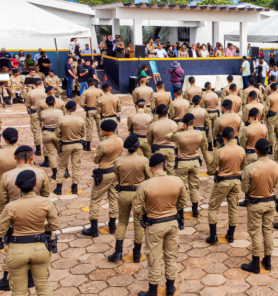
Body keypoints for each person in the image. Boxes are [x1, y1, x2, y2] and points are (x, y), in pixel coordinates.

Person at [133, 153, 188, 296]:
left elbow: (137, 209)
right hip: (172, 223)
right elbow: (183, 201)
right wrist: (173, 207)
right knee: (171, 257)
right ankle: (170, 288)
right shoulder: (177, 181)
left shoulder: (145, 185)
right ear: (165, 165)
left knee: (154, 259)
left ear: (151, 168)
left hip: (154, 225)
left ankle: (152, 292)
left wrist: (146, 213)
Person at [0, 169, 59, 295]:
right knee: (43, 287)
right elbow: (55, 225)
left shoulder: (10, 207)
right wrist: (43, 230)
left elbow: (1, 230)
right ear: (35, 184)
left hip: (16, 250)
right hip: (40, 249)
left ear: (17, 186)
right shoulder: (46, 203)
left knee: (18, 291)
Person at [239, 138, 278, 273]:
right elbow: (277, 185)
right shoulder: (276, 166)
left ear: (256, 151)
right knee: (268, 231)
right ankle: (267, 260)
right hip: (270, 202)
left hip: (256, 204)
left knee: (256, 232)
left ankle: (255, 263)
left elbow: (244, 189)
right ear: (268, 150)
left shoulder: (250, 168)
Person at [81, 120, 123, 237]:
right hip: (115, 172)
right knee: (114, 198)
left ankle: (94, 230)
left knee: (95, 200)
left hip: (104, 172)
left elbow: (96, 160)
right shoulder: (120, 141)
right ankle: (112, 226)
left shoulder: (103, 144)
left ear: (106, 131)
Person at [205, 127, 246, 244]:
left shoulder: (220, 151)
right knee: (233, 208)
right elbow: (243, 166)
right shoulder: (241, 150)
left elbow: (212, 170)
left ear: (224, 138)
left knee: (213, 207)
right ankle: (231, 235)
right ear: (234, 136)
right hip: (236, 182)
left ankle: (213, 236)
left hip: (223, 182)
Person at [166, 113, 211, 218]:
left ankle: (180, 212)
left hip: (182, 163)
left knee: (182, 188)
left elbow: (167, 137)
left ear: (184, 123)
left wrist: (177, 129)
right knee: (194, 187)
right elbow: (204, 149)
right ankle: (195, 210)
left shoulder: (179, 135)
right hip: (195, 162)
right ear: (194, 121)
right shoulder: (200, 134)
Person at [147, 104, 178, 175]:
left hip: (157, 150)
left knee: (156, 172)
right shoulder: (174, 124)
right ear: (167, 111)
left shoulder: (153, 125)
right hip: (170, 150)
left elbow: (149, 140)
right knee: (171, 172)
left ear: (157, 114)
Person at [38, 96, 64, 173]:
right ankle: (65, 171)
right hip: (58, 133)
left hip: (47, 133)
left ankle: (55, 173)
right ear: (55, 103)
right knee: (61, 153)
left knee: (51, 154)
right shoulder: (60, 112)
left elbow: (41, 120)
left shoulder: (43, 113)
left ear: (46, 103)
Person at [79, 79, 104, 151]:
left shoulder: (86, 92)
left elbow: (81, 103)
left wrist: (86, 107)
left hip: (90, 111)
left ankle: (88, 146)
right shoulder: (100, 91)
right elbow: (104, 100)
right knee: (100, 128)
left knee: (89, 128)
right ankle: (102, 144)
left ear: (88, 84)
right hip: (98, 111)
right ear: (95, 83)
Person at [25, 78, 47, 157]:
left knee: (36, 131)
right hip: (45, 113)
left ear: (33, 84)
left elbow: (28, 104)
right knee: (46, 131)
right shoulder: (46, 91)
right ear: (41, 83)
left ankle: (38, 150)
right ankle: (46, 148)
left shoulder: (30, 92)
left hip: (34, 113)